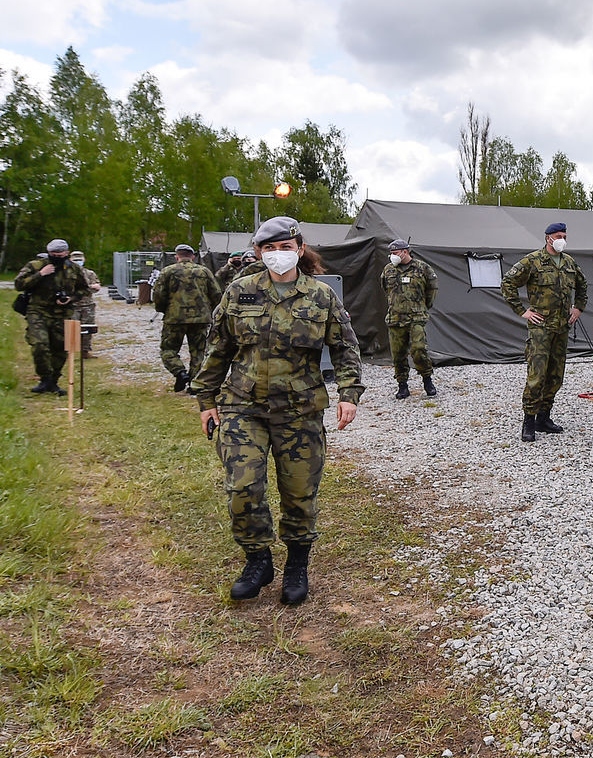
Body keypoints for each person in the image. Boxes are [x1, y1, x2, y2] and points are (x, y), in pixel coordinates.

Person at [192, 216, 364, 605]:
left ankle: (296, 565)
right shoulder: (239, 292)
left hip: (300, 409)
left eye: (285, 248)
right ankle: (258, 560)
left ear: (300, 249)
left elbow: (345, 348)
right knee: (243, 486)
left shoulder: (321, 296)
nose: (277, 255)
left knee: (300, 492)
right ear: (258, 253)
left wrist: (349, 394)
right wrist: (205, 400)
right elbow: (217, 349)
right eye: (268, 249)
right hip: (242, 406)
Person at [500, 222, 588, 442]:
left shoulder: (569, 262)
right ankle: (528, 421)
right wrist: (523, 311)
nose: (562, 239)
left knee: (555, 375)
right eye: (558, 235)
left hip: (561, 328)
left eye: (564, 235)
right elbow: (507, 283)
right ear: (548, 237)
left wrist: (578, 308)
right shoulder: (533, 261)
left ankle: (544, 417)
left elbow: (583, 285)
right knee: (537, 376)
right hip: (540, 329)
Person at [14, 239, 90, 394]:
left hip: (63, 313)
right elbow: (19, 284)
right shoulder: (36, 266)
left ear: (66, 253)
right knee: (40, 345)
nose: (56, 256)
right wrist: (40, 274)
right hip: (38, 311)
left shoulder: (74, 269)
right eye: (52, 254)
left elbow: (84, 290)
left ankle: (53, 381)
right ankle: (45, 378)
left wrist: (71, 298)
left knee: (61, 348)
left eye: (59, 254)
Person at [154, 244, 222, 392]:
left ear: (177, 256)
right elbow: (216, 293)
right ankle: (195, 383)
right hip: (200, 318)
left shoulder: (168, 271)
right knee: (199, 351)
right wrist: (212, 310)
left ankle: (180, 372)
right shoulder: (204, 271)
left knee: (168, 349)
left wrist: (162, 309)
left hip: (175, 317)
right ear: (193, 256)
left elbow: (159, 294)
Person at [380, 238, 439, 399]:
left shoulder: (422, 268)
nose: (392, 256)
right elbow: (385, 288)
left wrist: (422, 307)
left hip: (416, 317)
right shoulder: (388, 270)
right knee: (398, 355)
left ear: (405, 252)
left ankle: (427, 380)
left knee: (419, 350)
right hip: (395, 318)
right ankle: (402, 386)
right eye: (390, 253)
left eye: (395, 253)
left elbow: (432, 290)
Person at [69, 249, 103, 358]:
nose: (78, 262)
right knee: (71, 329)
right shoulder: (66, 274)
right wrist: (87, 288)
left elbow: (96, 287)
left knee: (88, 329)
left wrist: (86, 288)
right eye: (75, 260)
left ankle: (85, 351)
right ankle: (70, 353)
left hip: (87, 305)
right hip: (72, 305)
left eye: (80, 260)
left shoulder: (89, 273)